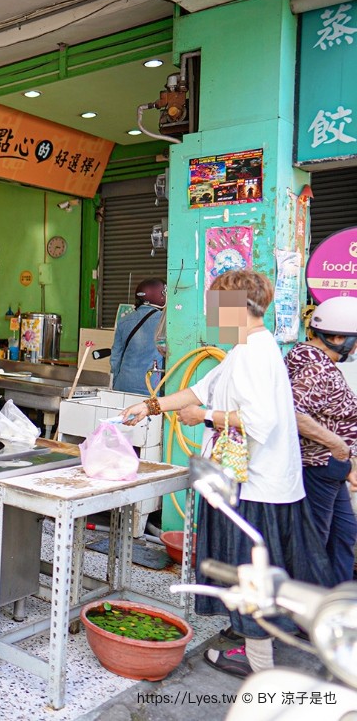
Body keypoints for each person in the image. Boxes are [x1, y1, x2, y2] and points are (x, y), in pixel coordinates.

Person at [120, 270, 331, 678]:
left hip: (257, 488)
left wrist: (204, 417)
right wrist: (149, 407)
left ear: (238, 307)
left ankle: (259, 665)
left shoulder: (254, 352)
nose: (211, 313)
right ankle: (252, 640)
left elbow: (258, 421)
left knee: (250, 574)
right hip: (254, 483)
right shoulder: (244, 348)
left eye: (217, 305)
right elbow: (200, 390)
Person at [285, 296, 357, 586]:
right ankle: (304, 614)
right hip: (317, 466)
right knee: (314, 542)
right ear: (338, 337)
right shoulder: (314, 368)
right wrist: (337, 445)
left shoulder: (314, 360)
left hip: (332, 468)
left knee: (343, 533)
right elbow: (294, 412)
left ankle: (336, 603)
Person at [109, 278, 166, 394]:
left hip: (123, 385)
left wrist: (116, 383)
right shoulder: (165, 321)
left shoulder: (123, 321)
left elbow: (115, 358)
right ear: (160, 296)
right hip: (151, 387)